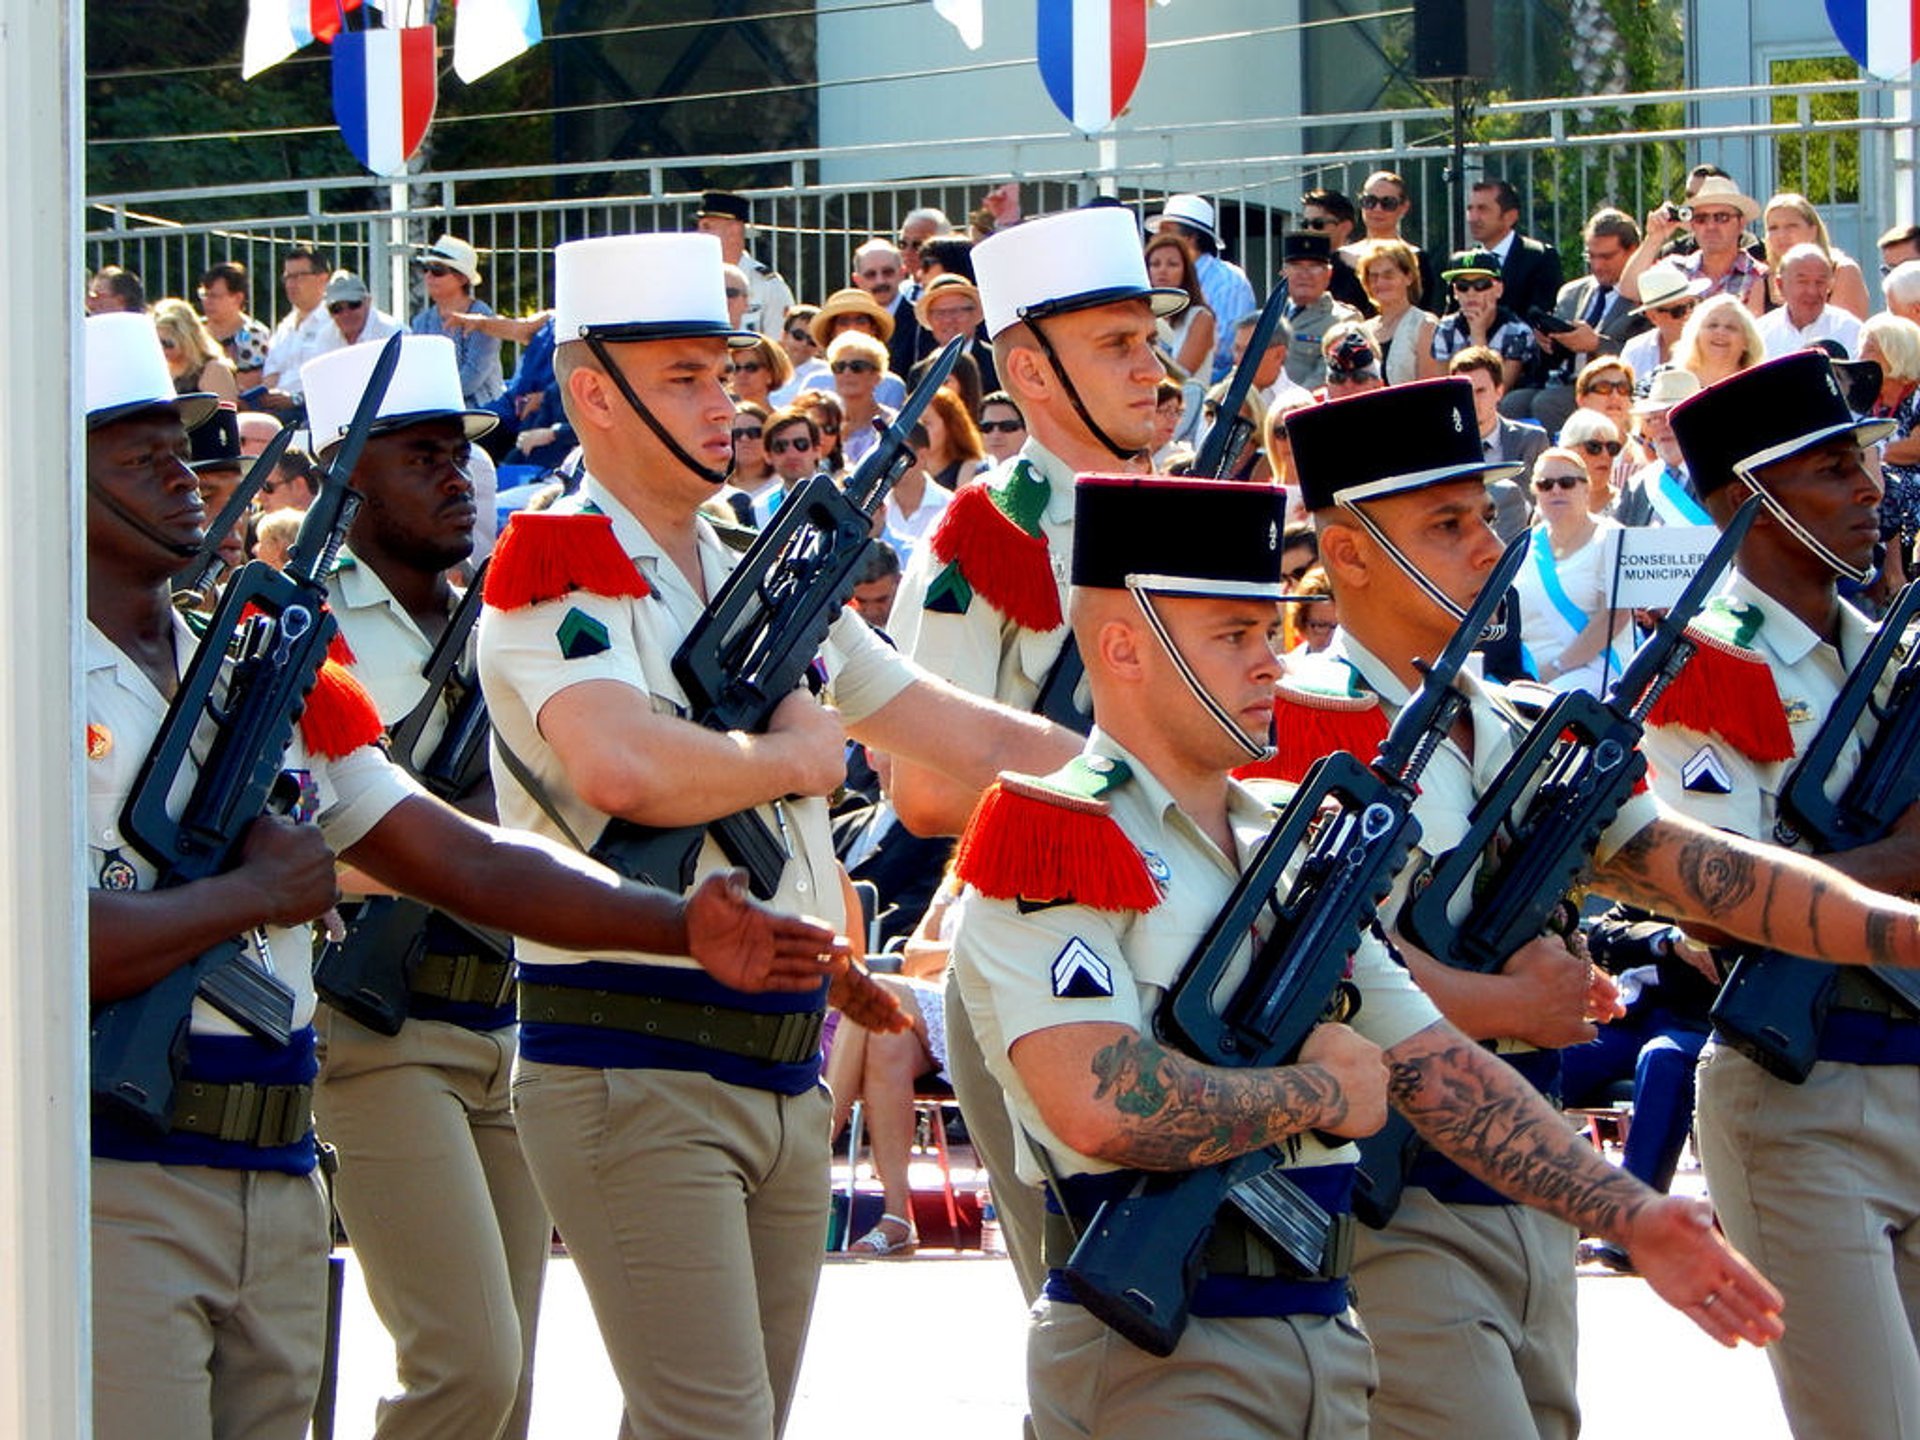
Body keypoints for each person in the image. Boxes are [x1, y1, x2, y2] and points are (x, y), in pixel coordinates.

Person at [81, 309, 860, 1440]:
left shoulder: (242, 668)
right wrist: (250, 896)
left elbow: (460, 853)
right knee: (470, 1369)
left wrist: (672, 922)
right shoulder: (35, 676)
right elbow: (34, 941)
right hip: (115, 1162)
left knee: (500, 1382)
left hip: (274, 1160)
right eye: (137, 451)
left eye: (184, 442)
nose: (186, 473)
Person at [951, 469, 1786, 1440]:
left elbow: (1440, 1070)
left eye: (1270, 632)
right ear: (1125, 647)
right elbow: (1096, 1103)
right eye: (1234, 637)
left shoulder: (1296, 850)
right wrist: (1316, 1096)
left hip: (1328, 1343)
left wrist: (1628, 1213)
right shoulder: (1056, 836)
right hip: (1159, 1358)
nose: (1271, 663)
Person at [471, 231, 1078, 1439]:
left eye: (724, 371)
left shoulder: (756, 557)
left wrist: (1163, 784)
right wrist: (793, 759)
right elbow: (619, 762)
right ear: (593, 393)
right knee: (715, 1427)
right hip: (630, 1049)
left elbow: (943, 721)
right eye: (685, 378)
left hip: (780, 1055)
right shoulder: (556, 564)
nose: (724, 403)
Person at [1281, 373, 1920, 1440]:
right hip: (1391, 1188)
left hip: (1530, 1185)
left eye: (1486, 517)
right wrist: (1504, 1004)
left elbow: (1697, 870)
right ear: (1345, 552)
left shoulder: (1530, 729)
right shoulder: (1301, 730)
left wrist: (1894, 928)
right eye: (1447, 525)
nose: (1490, 547)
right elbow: (1316, 978)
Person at [886, 205, 1187, 1307]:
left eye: (1150, 340)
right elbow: (921, 790)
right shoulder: (986, 537)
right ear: (1031, 370)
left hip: (1188, 946)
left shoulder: (1187, 518)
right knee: (1100, 1322)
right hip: (1043, 957)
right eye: (1115, 345)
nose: (1150, 370)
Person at [1647, 348, 1920, 1439]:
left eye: (1863, 459)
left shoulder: (1893, 653)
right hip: (1807, 1100)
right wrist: (1902, 865)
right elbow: (1713, 898)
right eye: (1829, 470)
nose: (1869, 488)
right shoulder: (1706, 665)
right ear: (1745, 502)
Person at [297, 334, 535, 1440]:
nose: (459, 476)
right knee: (465, 1370)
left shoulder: (498, 620)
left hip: (506, 1019)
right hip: (378, 1028)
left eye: (463, 454)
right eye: (424, 457)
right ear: (346, 474)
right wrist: (440, 843)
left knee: (515, 1384)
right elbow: (286, 843)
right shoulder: (303, 626)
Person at [1507, 207, 1646, 432]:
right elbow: (1549, 355)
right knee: (1512, 404)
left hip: (1608, 388)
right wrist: (1547, 342)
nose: (1597, 265)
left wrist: (1596, 344)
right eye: (1591, 256)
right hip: (1560, 380)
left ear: (1633, 251)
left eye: (1607, 256)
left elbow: (1643, 353)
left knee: (1547, 404)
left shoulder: (1641, 297)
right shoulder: (1572, 292)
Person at [1511, 445, 1632, 692]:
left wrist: (1558, 667)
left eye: (1567, 482)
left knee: (1548, 709)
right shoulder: (1524, 545)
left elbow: (1616, 615)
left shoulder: (1613, 536)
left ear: (1586, 487)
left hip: (1595, 669)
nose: (1556, 490)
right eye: (1545, 484)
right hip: (1529, 674)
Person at [1146, 192, 1257, 381]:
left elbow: (1225, 350)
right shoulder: (1152, 282)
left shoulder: (1230, 281)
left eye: (1166, 232)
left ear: (1191, 238)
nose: (1159, 238)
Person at [1625, 176, 1769, 317]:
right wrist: (1654, 239)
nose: (1711, 226)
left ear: (1741, 223)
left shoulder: (1760, 276)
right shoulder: (1675, 268)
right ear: (1692, 224)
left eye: (1721, 217)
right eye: (1701, 219)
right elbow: (1630, 290)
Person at [1447, 346, 1542, 541]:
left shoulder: (1531, 440)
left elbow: (1535, 506)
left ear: (1499, 391)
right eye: (1464, 393)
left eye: (1480, 391)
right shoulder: (1443, 448)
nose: (1472, 400)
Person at [409, 236, 504, 408]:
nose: (429, 276)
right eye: (426, 269)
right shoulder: (421, 322)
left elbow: (473, 376)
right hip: (435, 410)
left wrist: (432, 399)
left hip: (482, 411)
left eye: (438, 270)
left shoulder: (483, 319)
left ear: (462, 279)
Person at [1861, 312, 1920, 578]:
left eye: (1871, 347)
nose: (1861, 353)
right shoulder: (1864, 395)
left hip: (1911, 477)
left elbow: (1916, 448)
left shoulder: (1917, 395)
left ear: (1894, 351)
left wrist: (1872, 452)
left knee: (1888, 484)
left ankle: (1893, 573)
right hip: (1874, 473)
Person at [1613, 367, 1708, 527]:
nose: (1664, 426)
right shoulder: (1638, 485)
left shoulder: (1724, 482)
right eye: (1655, 418)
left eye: (1672, 416)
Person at [693, 190, 794, 340]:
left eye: (707, 227)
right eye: (699, 226)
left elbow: (779, 349)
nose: (699, 234)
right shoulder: (692, 281)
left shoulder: (768, 285)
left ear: (734, 230)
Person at [1430, 250, 1537, 391]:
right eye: (1463, 286)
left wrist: (1478, 334)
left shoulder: (1518, 332)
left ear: (1499, 289)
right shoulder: (1445, 328)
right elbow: (1443, 385)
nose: (1471, 293)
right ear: (1455, 292)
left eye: (1481, 284)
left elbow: (1499, 389)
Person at [1462, 177, 1564, 319]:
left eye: (1482, 209)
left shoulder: (1539, 258)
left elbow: (1542, 317)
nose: (1473, 218)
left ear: (1510, 217)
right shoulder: (1463, 261)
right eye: (1470, 208)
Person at [1763, 191, 1871, 318]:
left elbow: (1848, 333)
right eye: (1773, 228)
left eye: (1791, 226)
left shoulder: (1842, 271)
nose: (1781, 235)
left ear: (1813, 231)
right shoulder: (1762, 276)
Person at [1279, 231, 1361, 389]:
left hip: (1303, 408)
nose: (1305, 274)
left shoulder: (1344, 321)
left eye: (1314, 267)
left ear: (1328, 274)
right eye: (1296, 266)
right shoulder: (1270, 317)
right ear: (1284, 272)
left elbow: (1326, 375)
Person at [1355, 236, 1440, 386]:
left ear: (1409, 277)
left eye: (1388, 275)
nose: (1380, 282)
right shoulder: (1361, 331)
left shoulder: (1425, 325)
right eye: (1373, 277)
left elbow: (1430, 391)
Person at [1757, 243, 1864, 360]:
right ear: (1780, 285)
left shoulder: (1850, 330)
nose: (1812, 291)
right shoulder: (1761, 333)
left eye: (1820, 282)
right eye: (1802, 282)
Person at [804, 289, 907, 409]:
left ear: (873, 329)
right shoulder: (815, 383)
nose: (852, 327)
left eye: (861, 321)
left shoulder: (892, 386)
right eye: (843, 322)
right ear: (832, 331)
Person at [1356, 169, 1442, 311]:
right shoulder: (1340, 259)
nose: (1377, 209)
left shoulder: (1419, 259)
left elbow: (1428, 309)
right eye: (1370, 201)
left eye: (1388, 203)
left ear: (1404, 207)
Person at [262, 243, 333, 400]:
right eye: (288, 277)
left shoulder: (335, 324)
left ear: (323, 279)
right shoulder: (284, 327)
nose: (291, 284)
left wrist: (294, 400)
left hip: (314, 408)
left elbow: (332, 378)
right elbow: (270, 376)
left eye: (299, 276)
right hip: (278, 410)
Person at [1143, 231, 1216, 379]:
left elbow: (1180, 375)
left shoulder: (1201, 317)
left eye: (1172, 264)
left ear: (1186, 271)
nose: (1162, 270)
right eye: (1155, 264)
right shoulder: (1143, 316)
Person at [913, 273, 999, 392]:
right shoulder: (919, 373)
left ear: (974, 314)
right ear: (929, 319)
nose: (948, 320)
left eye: (956, 311)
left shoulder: (996, 362)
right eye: (940, 313)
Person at [826, 330, 896, 470]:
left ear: (877, 376)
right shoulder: (826, 423)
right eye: (839, 367)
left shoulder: (892, 423)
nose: (846, 373)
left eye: (857, 367)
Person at [151, 298, 239, 406]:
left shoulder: (213, 370)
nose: (161, 349)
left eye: (167, 343)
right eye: (155, 343)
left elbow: (225, 418)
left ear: (186, 338)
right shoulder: (159, 371)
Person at [196, 261, 271, 389]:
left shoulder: (253, 335)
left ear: (237, 298)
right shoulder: (195, 329)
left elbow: (247, 385)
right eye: (205, 295)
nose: (207, 302)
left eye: (214, 296)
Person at [1673, 292, 1766, 389]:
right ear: (1696, 334)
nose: (1720, 332)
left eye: (1731, 327)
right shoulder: (1670, 379)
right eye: (1713, 325)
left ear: (1747, 341)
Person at [314, 270, 403, 354]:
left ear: (368, 302)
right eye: (336, 308)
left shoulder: (393, 333)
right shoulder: (324, 339)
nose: (346, 314)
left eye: (353, 304)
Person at [920, 385, 987, 491]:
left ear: (950, 427)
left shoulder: (971, 471)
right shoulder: (903, 472)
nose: (918, 430)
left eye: (926, 423)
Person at [773, 304, 827, 402]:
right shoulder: (765, 369)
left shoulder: (825, 374)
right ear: (784, 336)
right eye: (798, 335)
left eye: (812, 340)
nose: (804, 343)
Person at [725, 335, 791, 409]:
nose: (741, 374)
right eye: (735, 368)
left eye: (751, 367)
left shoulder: (782, 420)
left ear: (771, 373)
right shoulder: (721, 417)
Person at [976, 390, 1027, 465]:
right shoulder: (973, 472)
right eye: (987, 427)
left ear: (1028, 429)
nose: (995, 435)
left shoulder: (1043, 471)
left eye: (1007, 426)